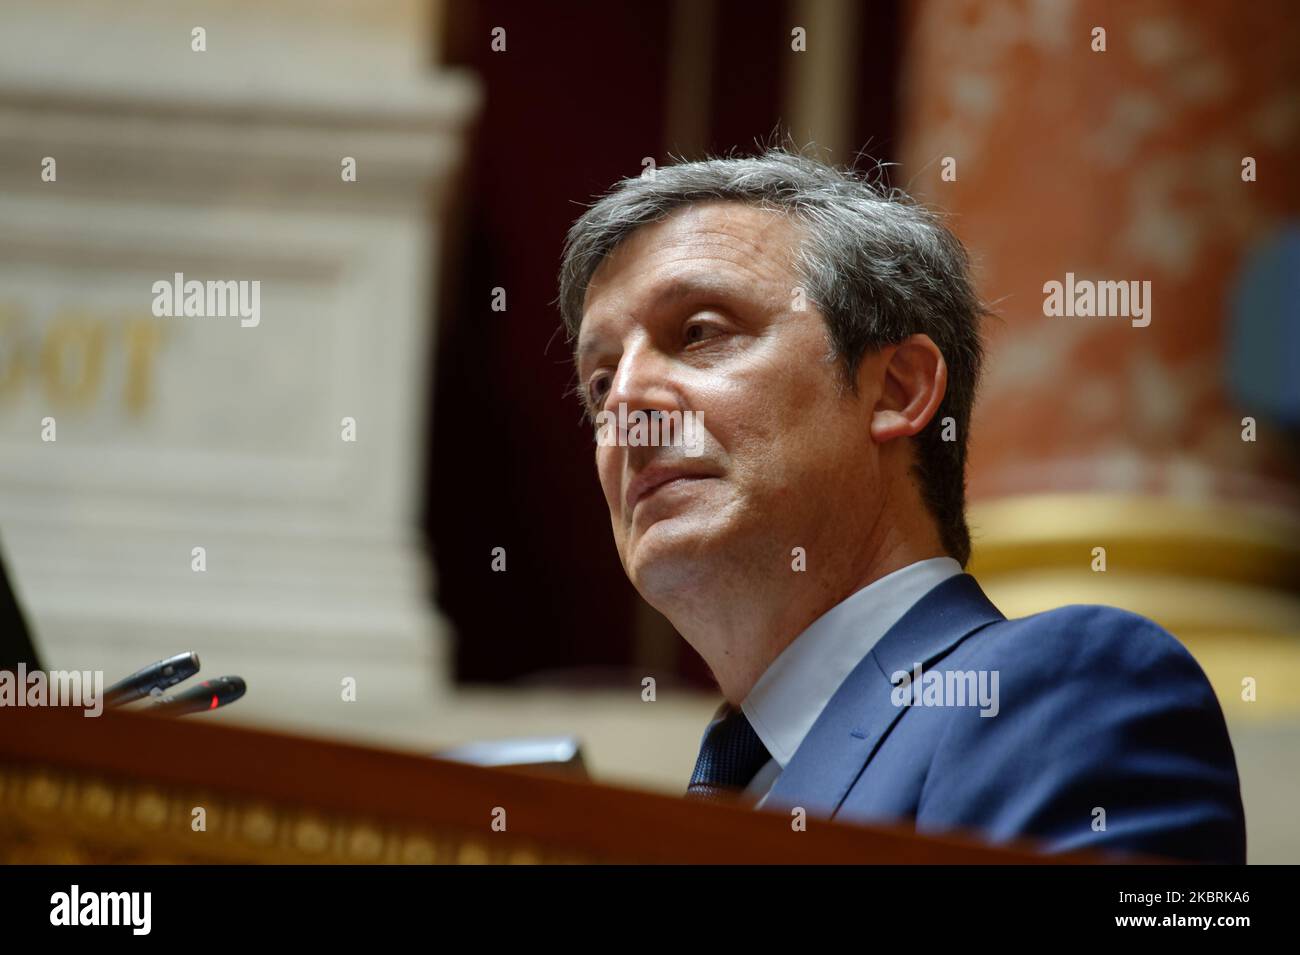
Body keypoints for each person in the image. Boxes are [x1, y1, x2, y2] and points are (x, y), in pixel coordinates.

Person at [556, 148, 1246, 863]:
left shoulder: (1069, 691)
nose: (625, 410)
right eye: (600, 383)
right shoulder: (727, 790)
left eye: (699, 332)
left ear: (899, 389)